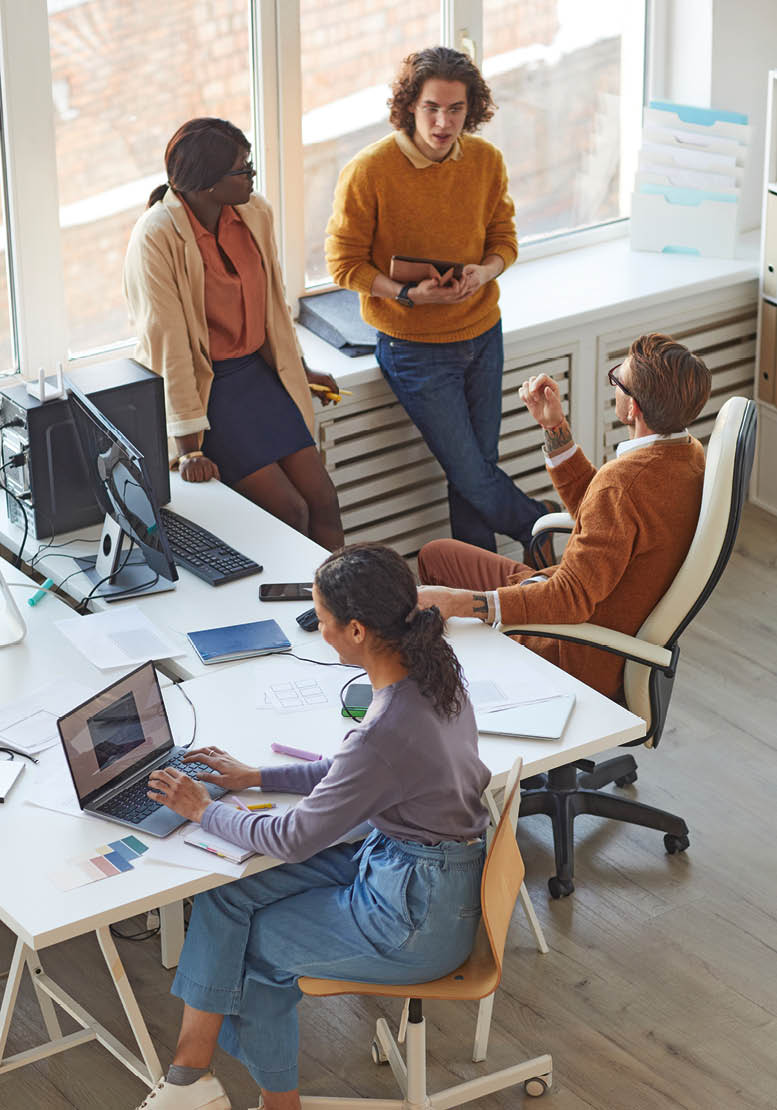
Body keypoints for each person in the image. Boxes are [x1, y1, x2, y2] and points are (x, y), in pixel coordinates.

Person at [136, 543, 490, 1110]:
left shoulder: (384, 729)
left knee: (253, 943)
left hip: (416, 916)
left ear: (355, 631)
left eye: (321, 621)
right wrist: (256, 776)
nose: (317, 629)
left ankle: (277, 1102)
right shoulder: (433, 674)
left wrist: (203, 808)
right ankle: (190, 1076)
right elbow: (356, 774)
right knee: (226, 896)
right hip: (415, 868)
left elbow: (292, 837)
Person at [325, 47, 550, 558]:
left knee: (474, 475)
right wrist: (407, 293)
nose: (443, 122)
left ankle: (477, 592)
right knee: (473, 472)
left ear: (472, 110)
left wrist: (485, 271)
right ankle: (550, 533)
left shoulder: (486, 161)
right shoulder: (370, 171)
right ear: (409, 106)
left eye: (456, 110)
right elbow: (344, 264)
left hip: (482, 333)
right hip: (415, 348)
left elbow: (504, 237)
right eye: (432, 108)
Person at [415, 333, 712, 700]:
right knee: (438, 555)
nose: (614, 381)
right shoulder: (688, 454)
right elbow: (605, 515)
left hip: (573, 646)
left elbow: (570, 599)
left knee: (440, 592)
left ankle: (446, 711)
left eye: (618, 378)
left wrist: (462, 603)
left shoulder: (624, 483)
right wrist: (554, 428)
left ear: (633, 408)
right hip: (576, 604)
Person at [124, 117, 344, 550]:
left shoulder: (253, 212)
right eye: (242, 169)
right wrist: (189, 447)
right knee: (290, 512)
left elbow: (274, 310)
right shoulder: (156, 237)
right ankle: (302, 611)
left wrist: (299, 370)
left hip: (257, 378)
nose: (251, 177)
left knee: (324, 501)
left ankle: (345, 611)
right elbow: (169, 346)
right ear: (207, 184)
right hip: (210, 394)